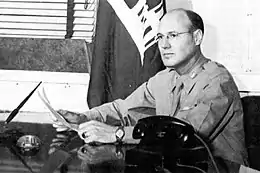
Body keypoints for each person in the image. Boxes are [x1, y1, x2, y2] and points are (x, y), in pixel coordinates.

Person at [52, 8, 248, 172]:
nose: (163, 45)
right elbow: (123, 109)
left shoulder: (217, 81)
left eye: (173, 36)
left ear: (197, 37)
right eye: (160, 37)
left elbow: (182, 135)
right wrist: (84, 118)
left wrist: (117, 134)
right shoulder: (165, 78)